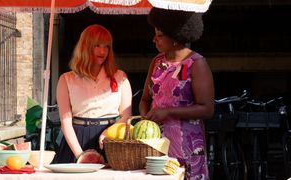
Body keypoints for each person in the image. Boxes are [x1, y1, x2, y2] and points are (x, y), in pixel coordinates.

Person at [139, 8, 214, 179]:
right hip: (157, 144)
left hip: (187, 144)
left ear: (174, 36)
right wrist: (146, 121)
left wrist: (168, 111)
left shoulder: (196, 63)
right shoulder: (157, 61)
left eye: (159, 35)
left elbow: (207, 109)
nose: (154, 39)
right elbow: (144, 100)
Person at [53, 24, 132, 163]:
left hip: (111, 140)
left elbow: (126, 116)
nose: (103, 51)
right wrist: (80, 156)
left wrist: (108, 133)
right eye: (97, 45)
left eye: (106, 46)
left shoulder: (121, 77)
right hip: (76, 141)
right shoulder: (66, 79)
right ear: (85, 47)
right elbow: (65, 122)